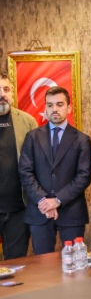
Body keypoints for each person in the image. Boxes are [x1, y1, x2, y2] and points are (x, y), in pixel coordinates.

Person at [18, 86, 91, 254]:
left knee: (74, 263)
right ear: (45, 107)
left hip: (71, 212)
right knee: (43, 265)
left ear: (69, 108)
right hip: (40, 212)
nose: (54, 109)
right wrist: (43, 201)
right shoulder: (32, 137)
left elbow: (83, 176)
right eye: (50, 105)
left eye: (59, 104)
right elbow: (25, 172)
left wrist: (57, 200)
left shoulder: (82, 140)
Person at [0, 72, 36, 259]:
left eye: (6, 89)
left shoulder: (28, 121)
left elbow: (39, 163)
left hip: (19, 209)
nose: (2, 94)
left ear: (12, 92)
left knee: (16, 265)